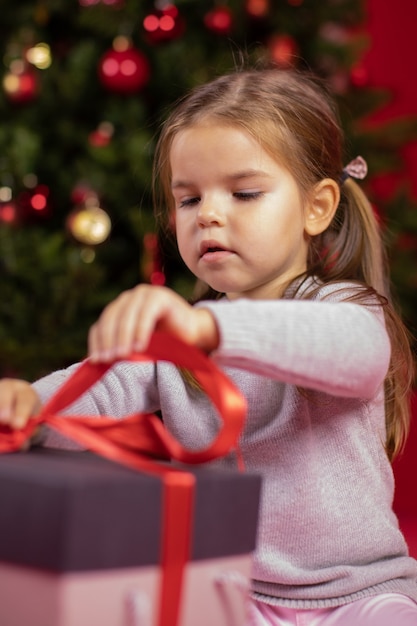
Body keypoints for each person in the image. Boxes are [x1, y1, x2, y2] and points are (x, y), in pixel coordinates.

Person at [1, 67, 417, 625]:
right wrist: (30, 406)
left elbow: (357, 355)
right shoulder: (184, 335)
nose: (210, 215)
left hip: (360, 594)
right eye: (189, 199)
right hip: (228, 592)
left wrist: (218, 332)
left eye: (244, 193)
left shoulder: (341, 308)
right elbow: (102, 389)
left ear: (316, 208)